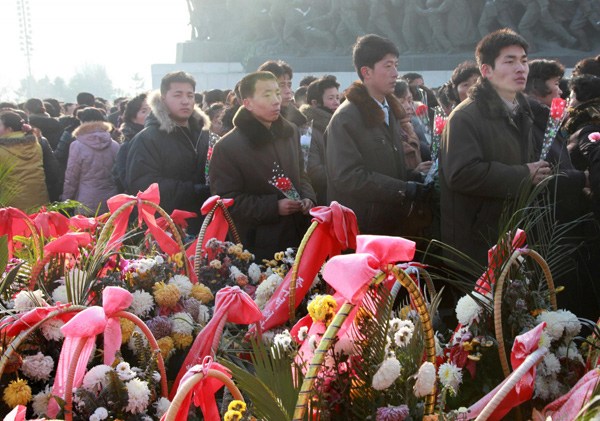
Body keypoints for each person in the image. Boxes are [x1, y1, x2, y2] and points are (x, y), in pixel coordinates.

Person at [439, 28, 551, 267]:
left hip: (515, 234)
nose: (520, 68)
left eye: (523, 61)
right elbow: (461, 174)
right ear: (486, 70)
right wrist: (524, 174)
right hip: (479, 240)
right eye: (509, 61)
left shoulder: (524, 110)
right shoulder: (466, 116)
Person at [325, 34, 430, 237]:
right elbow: (348, 177)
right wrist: (403, 189)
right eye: (388, 66)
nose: (395, 73)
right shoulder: (346, 117)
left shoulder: (388, 110)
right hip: (365, 229)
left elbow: (385, 166)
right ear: (367, 72)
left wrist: (415, 178)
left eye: (396, 65)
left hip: (392, 222)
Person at [209, 71, 316, 261]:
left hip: (300, 234)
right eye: (267, 95)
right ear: (247, 102)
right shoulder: (228, 146)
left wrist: (308, 197)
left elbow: (301, 173)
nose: (276, 100)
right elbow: (227, 201)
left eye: (277, 93)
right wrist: (273, 207)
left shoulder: (289, 131)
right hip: (259, 245)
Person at [126, 71, 211, 233]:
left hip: (205, 221)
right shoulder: (147, 138)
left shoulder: (204, 132)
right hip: (167, 227)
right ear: (163, 98)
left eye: (190, 95)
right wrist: (196, 190)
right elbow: (143, 185)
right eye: (178, 95)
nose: (185, 101)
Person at [61, 108, 119, 215]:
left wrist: (66, 200)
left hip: (86, 201)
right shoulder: (114, 144)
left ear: (82, 123)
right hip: (112, 200)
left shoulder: (77, 146)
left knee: (88, 230)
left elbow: (71, 177)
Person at [300, 76, 341, 205]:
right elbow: (313, 172)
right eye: (331, 98)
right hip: (324, 200)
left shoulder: (338, 124)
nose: (336, 102)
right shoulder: (307, 131)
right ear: (314, 103)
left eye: (337, 97)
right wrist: (346, 170)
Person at [0, 110, 50, 210]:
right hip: (39, 201)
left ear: (9, 129)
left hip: (12, 206)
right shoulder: (35, 144)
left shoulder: (2, 149)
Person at [112, 93, 150, 192]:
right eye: (144, 111)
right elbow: (125, 181)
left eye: (153, 110)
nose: (150, 115)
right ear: (133, 117)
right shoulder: (128, 145)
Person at [257, 60, 308, 127]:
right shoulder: (253, 124)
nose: (288, 91)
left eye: (289, 85)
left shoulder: (300, 123)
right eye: (281, 85)